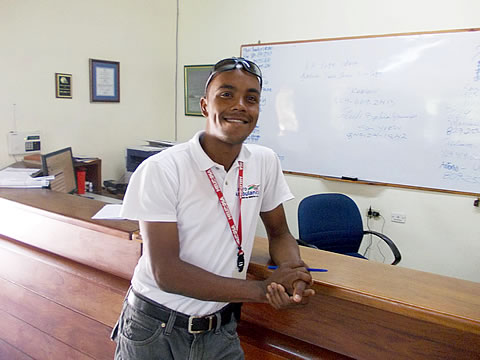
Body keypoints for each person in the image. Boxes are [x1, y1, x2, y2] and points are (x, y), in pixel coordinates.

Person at [111, 57, 315, 359]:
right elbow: (165, 272)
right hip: (155, 329)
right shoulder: (162, 169)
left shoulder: (264, 162)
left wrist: (292, 276)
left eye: (251, 98)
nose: (240, 105)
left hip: (220, 329)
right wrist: (263, 290)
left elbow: (280, 233)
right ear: (205, 105)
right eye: (227, 94)